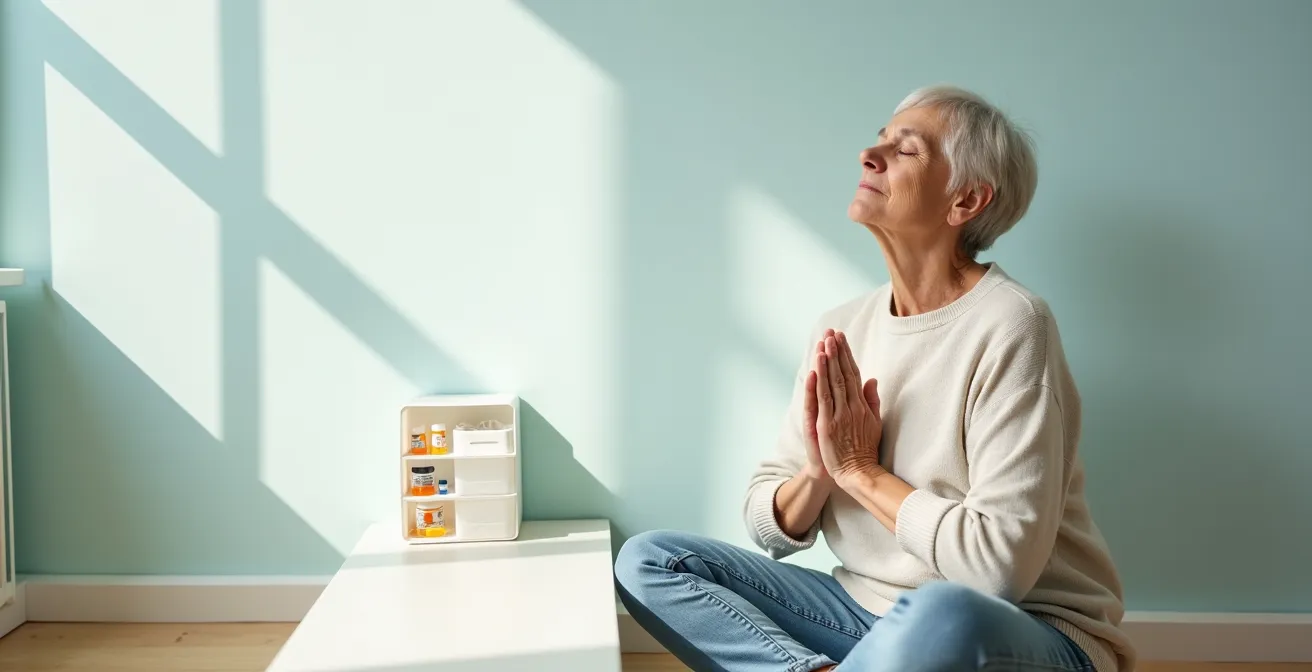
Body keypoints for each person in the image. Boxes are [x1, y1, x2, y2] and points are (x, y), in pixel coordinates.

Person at [614, 85, 1135, 672]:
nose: (869, 153)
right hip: (860, 618)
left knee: (943, 612)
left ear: (965, 200)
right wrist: (818, 470)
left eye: (905, 150)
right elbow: (770, 524)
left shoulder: (1012, 322)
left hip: (1018, 632)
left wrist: (860, 472)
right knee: (651, 560)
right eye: (879, 138)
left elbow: (997, 572)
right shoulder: (842, 327)